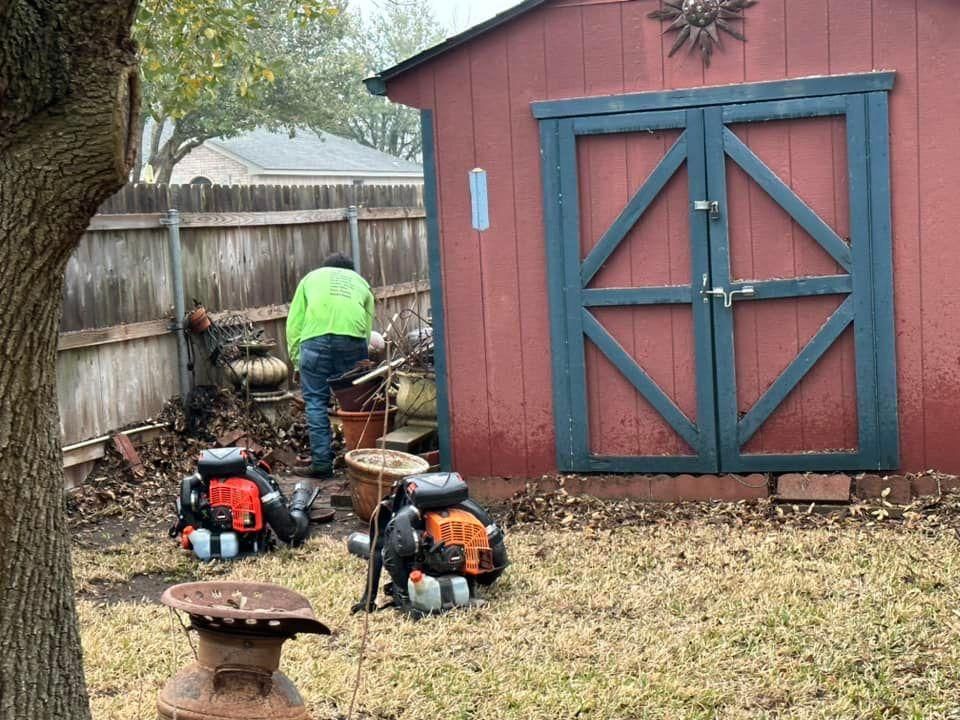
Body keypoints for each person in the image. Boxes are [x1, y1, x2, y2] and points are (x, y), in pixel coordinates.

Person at [287, 253, 374, 478]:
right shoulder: (361, 283)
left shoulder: (310, 279)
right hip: (352, 341)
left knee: (316, 402)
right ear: (350, 270)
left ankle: (322, 466)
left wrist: (297, 361)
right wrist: (360, 357)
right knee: (357, 404)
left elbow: (294, 324)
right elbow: (367, 327)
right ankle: (361, 465)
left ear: (324, 268)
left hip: (314, 342)